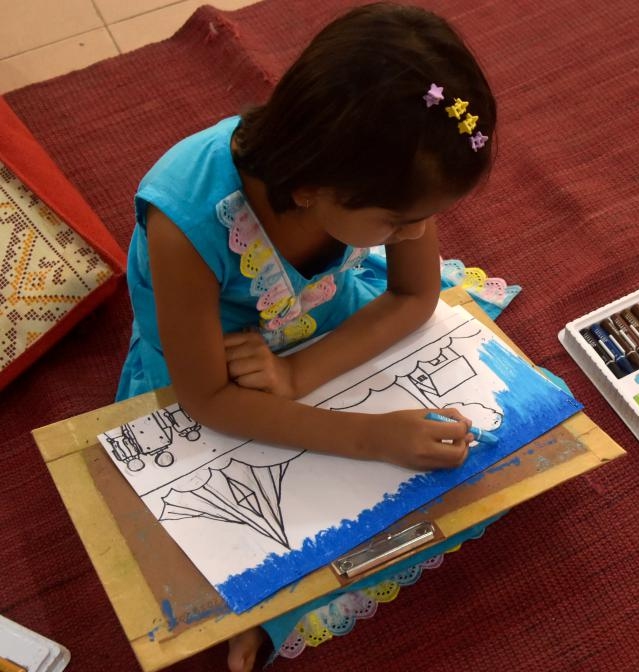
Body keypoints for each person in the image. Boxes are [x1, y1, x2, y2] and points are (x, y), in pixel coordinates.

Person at [115, 3, 510, 670]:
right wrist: (373, 438)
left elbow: (414, 294)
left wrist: (298, 375)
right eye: (399, 223)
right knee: (238, 518)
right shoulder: (185, 222)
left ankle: (279, 595)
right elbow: (207, 399)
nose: (418, 234)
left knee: (470, 477)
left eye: (428, 217)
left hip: (318, 328)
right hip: (211, 372)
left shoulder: (389, 172)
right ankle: (268, 601)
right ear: (310, 189)